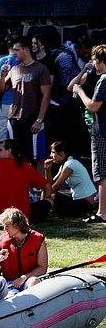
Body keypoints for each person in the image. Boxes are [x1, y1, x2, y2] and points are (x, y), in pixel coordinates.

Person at [0, 36, 51, 164]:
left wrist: (39, 120)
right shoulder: (14, 69)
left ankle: (34, 184)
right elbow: (0, 90)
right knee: (16, 157)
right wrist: (2, 75)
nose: (13, 52)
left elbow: (46, 96)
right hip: (14, 119)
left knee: (35, 158)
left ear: (26, 49)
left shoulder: (40, 68)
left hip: (32, 120)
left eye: (16, 49)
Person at [0, 139, 53, 221]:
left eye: (0, 150)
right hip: (22, 216)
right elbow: (47, 186)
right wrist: (46, 199)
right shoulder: (27, 166)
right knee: (48, 202)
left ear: (9, 151)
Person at [72, 43, 106, 224]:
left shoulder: (103, 79)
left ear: (100, 60)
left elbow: (93, 106)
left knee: (101, 172)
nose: (92, 62)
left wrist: (80, 91)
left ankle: (102, 212)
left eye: (94, 58)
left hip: (101, 131)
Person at [0, 207, 48, 294]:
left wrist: (24, 277)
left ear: (17, 225)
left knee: (33, 281)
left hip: (29, 279)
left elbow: (43, 268)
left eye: (7, 226)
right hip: (9, 283)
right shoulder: (2, 241)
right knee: (11, 295)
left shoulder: (38, 239)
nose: (5, 229)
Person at [43, 141, 97, 218]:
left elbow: (54, 188)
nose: (50, 155)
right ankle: (45, 211)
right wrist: (47, 170)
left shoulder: (70, 164)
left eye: (53, 152)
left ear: (61, 153)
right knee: (47, 191)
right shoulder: (64, 165)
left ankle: (44, 212)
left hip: (85, 204)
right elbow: (50, 184)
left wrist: (45, 196)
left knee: (51, 194)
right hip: (80, 202)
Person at [0, 35, 20, 141]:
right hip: (19, 102)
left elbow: (0, 85)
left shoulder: (2, 60)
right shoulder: (22, 59)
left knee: (2, 132)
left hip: (6, 100)